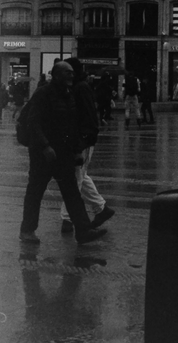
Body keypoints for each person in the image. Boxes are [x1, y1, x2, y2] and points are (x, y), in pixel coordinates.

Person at [19, 61, 107, 245]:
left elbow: (71, 126)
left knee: (72, 193)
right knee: (35, 192)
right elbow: (33, 122)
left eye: (72, 73)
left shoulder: (68, 95)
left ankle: (83, 231)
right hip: (42, 154)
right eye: (67, 73)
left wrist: (76, 151)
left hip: (63, 152)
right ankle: (27, 230)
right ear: (56, 75)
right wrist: (45, 146)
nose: (71, 76)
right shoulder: (43, 93)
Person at [59, 59, 115, 235]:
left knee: (74, 178)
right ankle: (101, 208)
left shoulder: (80, 88)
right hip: (79, 140)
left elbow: (88, 116)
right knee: (81, 176)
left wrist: (85, 138)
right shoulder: (78, 86)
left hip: (81, 141)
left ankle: (68, 219)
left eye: (68, 71)